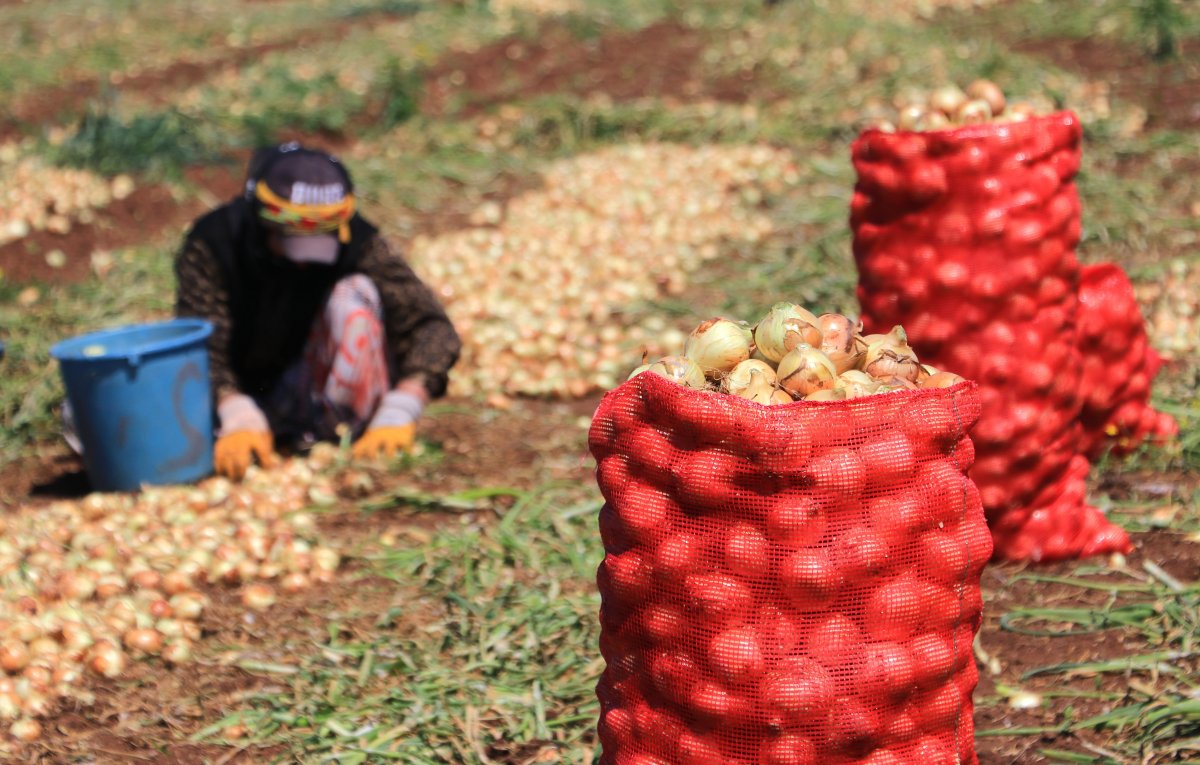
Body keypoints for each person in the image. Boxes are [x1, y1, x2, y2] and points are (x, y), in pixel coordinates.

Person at [175, 142, 461, 480]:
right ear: (261, 220)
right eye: (290, 241)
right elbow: (200, 340)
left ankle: (348, 433)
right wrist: (232, 406)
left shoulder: (358, 240)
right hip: (248, 394)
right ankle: (256, 428)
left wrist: (406, 401)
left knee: (355, 296)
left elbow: (430, 325)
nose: (303, 259)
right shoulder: (214, 243)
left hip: (321, 391)